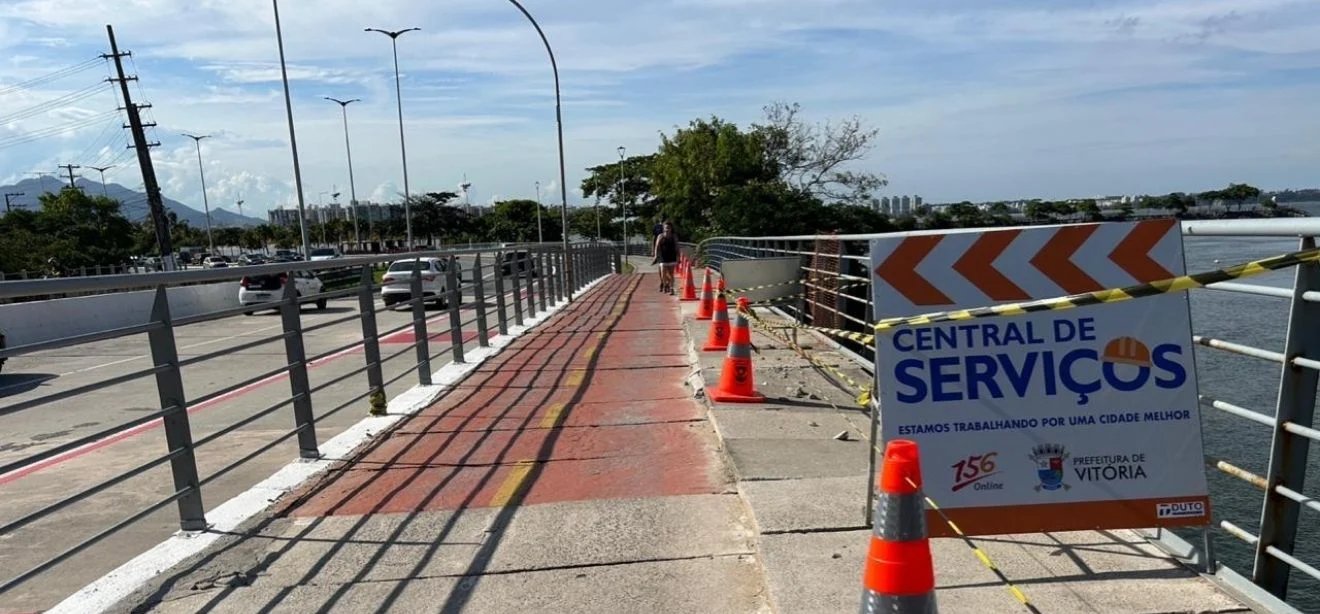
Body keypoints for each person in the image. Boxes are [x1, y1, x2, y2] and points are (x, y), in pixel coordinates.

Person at [652, 221, 679, 293]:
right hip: (663, 257)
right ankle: (665, 285)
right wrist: (655, 255)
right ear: (663, 228)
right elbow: (657, 247)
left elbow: (677, 247)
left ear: (671, 228)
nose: (667, 229)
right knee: (663, 273)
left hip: (671, 256)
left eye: (669, 228)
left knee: (671, 273)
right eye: (666, 228)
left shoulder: (674, 236)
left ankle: (671, 288)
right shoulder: (660, 236)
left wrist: (678, 256)